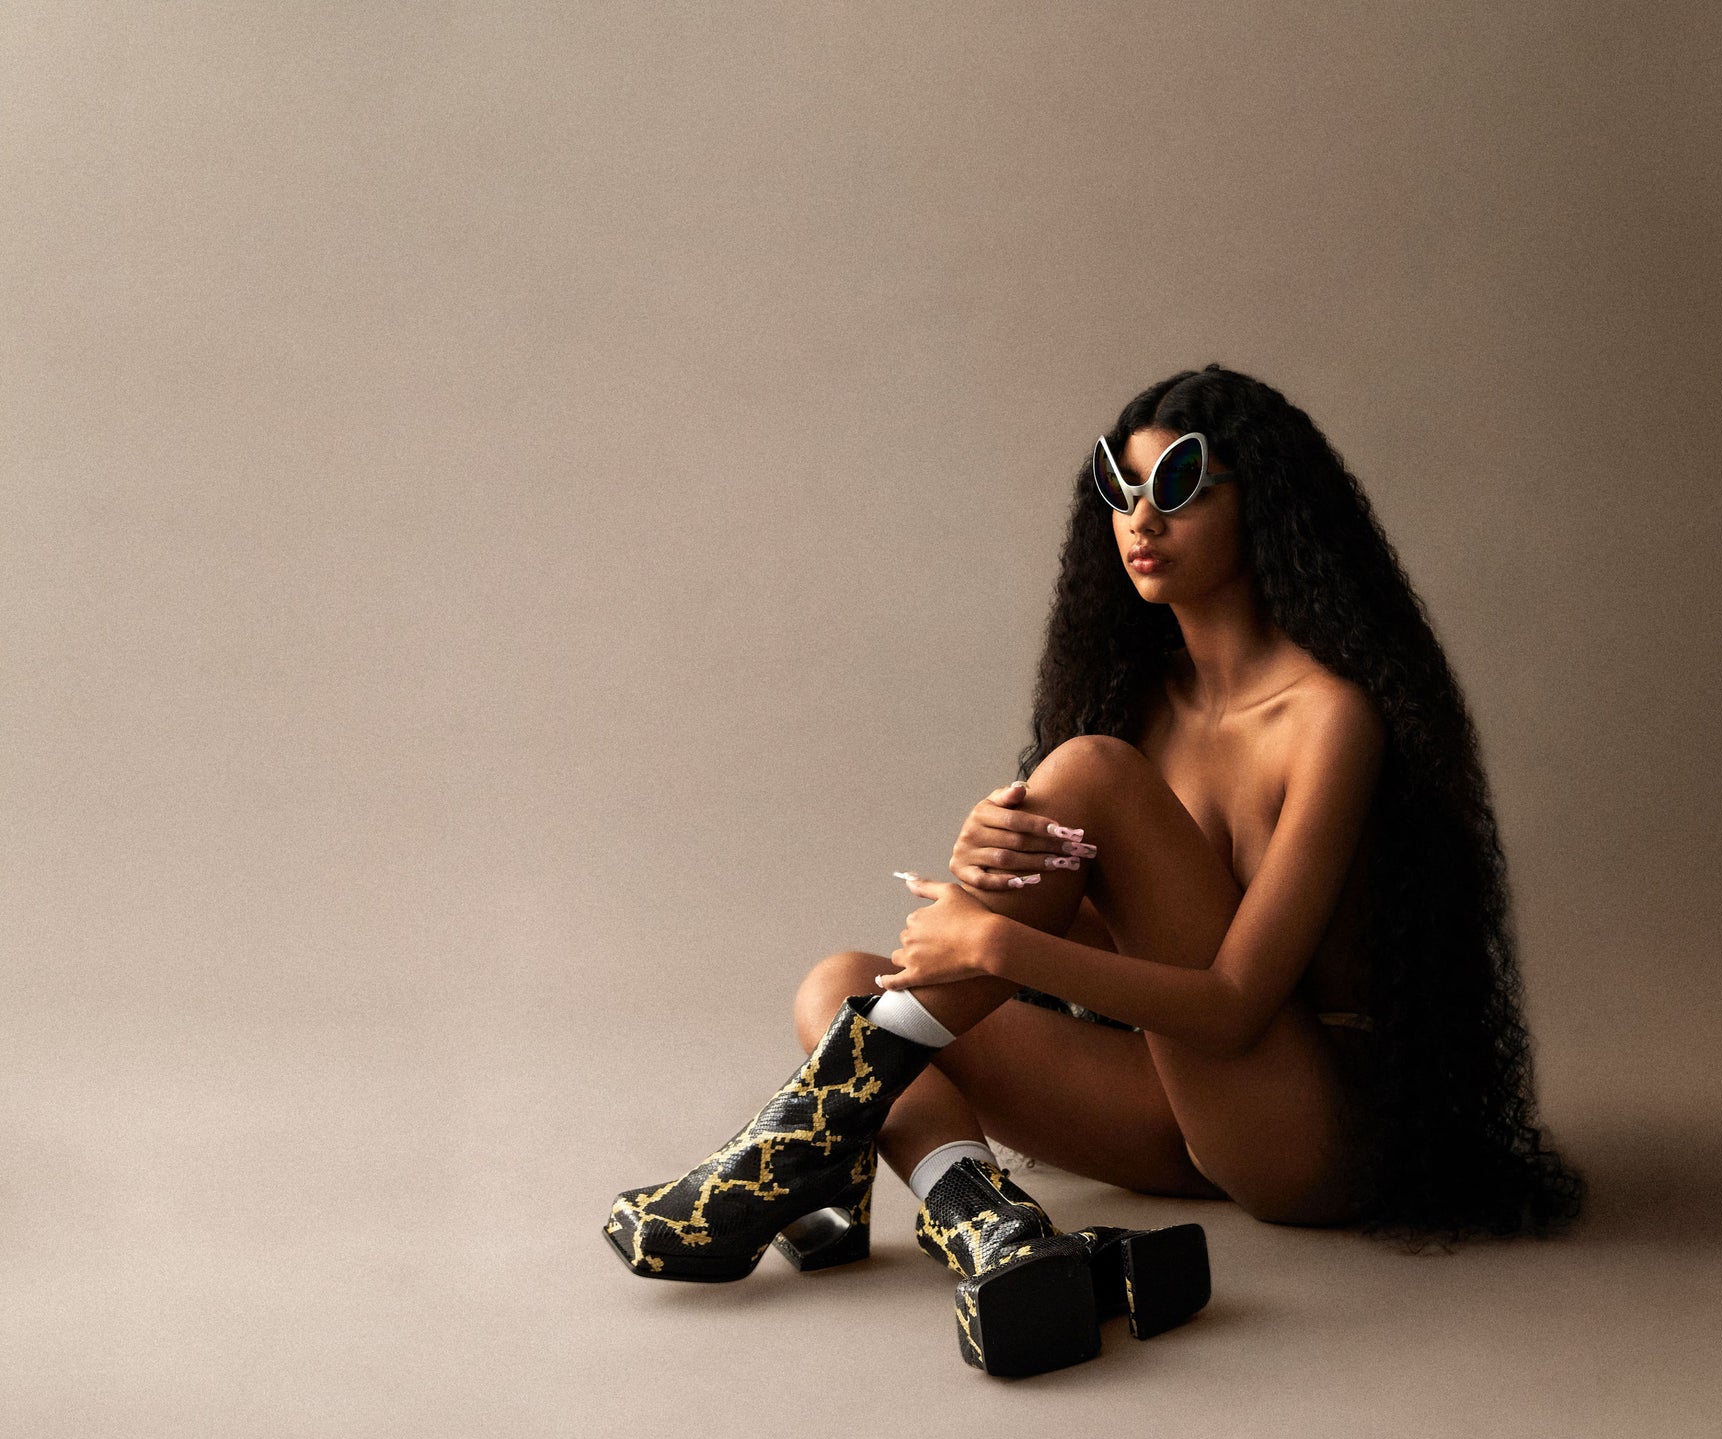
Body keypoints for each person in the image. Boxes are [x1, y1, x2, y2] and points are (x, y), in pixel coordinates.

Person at [603, 364, 1582, 1376]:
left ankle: (778, 1164)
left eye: (1178, 485)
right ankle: (998, 1237)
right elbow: (1126, 950)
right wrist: (999, 870)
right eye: (1120, 489)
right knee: (841, 983)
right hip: (1177, 1108)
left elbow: (1233, 1007)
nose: (1140, 520)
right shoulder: (1143, 703)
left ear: (1266, 502)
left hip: (1305, 1132)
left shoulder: (1330, 717)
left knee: (1087, 774)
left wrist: (999, 943)